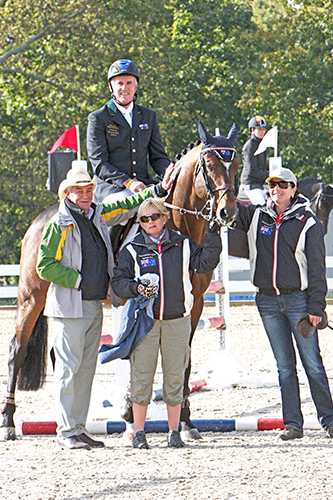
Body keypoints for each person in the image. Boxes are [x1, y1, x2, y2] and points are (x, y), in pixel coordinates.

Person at [36, 163, 174, 450]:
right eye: (79, 190)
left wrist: (156, 191)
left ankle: (79, 427)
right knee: (68, 369)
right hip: (70, 307)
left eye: (89, 189)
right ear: (68, 193)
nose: (86, 194)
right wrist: (78, 279)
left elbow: (125, 204)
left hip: (93, 304)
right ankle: (66, 431)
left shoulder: (97, 213)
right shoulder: (58, 224)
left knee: (86, 369)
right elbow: (44, 266)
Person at [111, 198, 222, 449]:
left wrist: (213, 233)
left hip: (177, 321)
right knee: (142, 377)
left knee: (174, 377)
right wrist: (135, 287)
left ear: (164, 218)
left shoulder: (183, 244)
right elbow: (118, 283)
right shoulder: (131, 249)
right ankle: (139, 432)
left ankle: (174, 432)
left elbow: (206, 262)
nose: (149, 222)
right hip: (146, 322)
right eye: (144, 219)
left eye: (154, 217)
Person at [233, 166, 333, 440]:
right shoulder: (256, 216)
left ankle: (329, 420)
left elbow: (316, 268)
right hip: (266, 301)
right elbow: (227, 199)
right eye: (272, 185)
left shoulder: (308, 222)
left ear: (294, 189)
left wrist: (316, 307)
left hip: (298, 301)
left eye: (282, 185)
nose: (276, 189)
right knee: (284, 366)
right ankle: (293, 424)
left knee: (312, 363)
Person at [87, 58, 172, 205]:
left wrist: (171, 174)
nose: (124, 88)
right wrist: (128, 182)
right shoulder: (99, 118)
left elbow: (158, 157)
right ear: (110, 86)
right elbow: (100, 163)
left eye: (129, 83)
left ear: (136, 86)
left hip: (144, 185)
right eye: (119, 83)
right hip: (112, 189)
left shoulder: (148, 116)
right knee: (125, 208)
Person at [239, 115, 268, 205]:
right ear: (252, 130)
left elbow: (263, 166)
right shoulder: (250, 146)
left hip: (259, 185)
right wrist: (268, 175)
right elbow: (252, 170)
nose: (262, 132)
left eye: (263, 129)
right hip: (250, 184)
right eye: (259, 129)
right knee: (263, 207)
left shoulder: (263, 145)